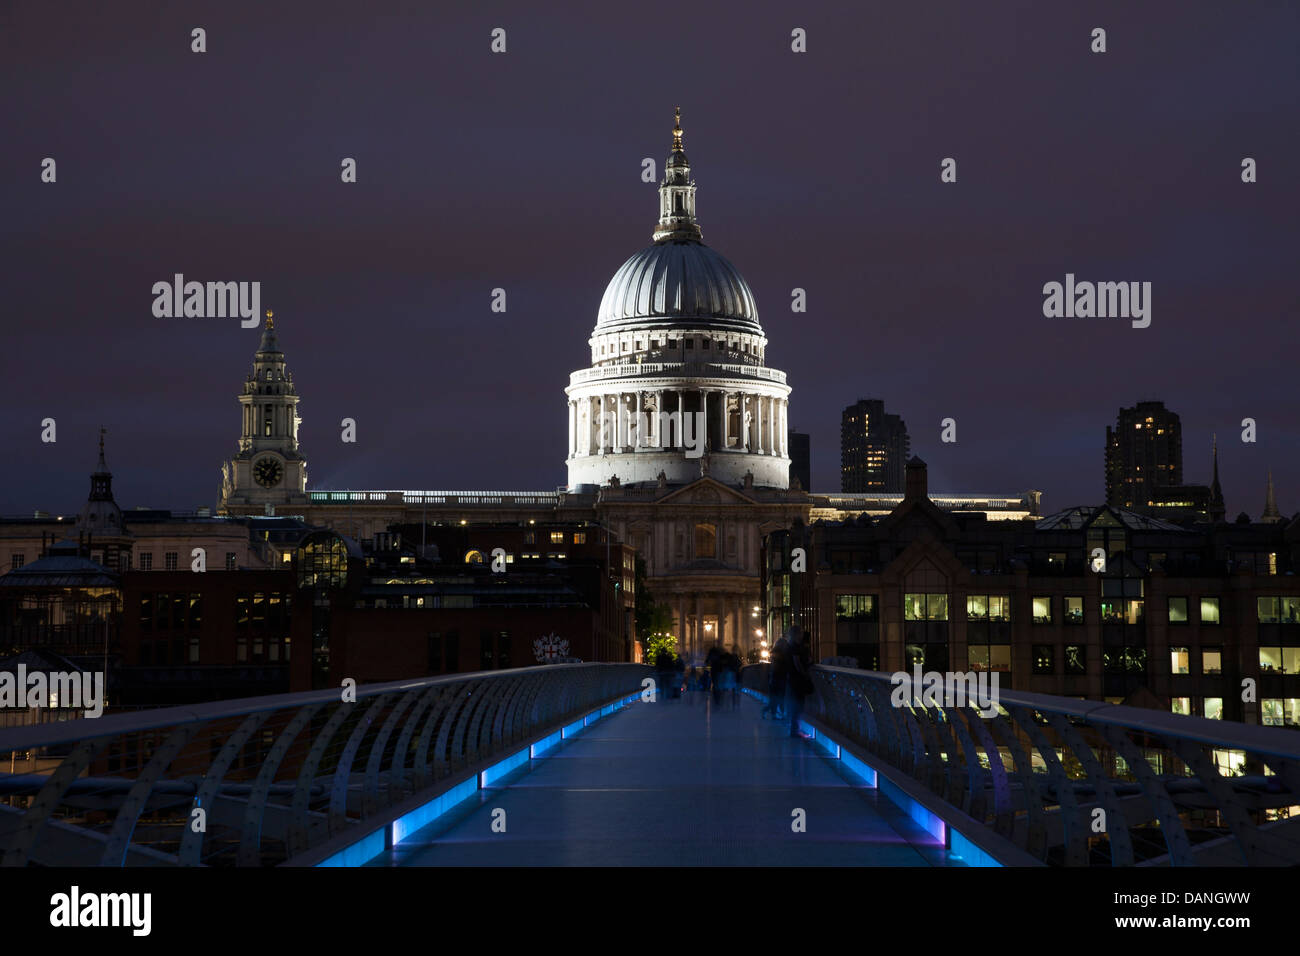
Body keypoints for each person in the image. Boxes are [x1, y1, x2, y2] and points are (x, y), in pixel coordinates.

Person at [787, 629, 814, 737]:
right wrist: (804, 673)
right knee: (798, 705)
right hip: (797, 680)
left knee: (796, 704)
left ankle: (795, 730)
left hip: (793, 679)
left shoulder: (790, 646)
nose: (802, 636)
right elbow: (797, 662)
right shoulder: (795, 647)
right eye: (800, 634)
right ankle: (795, 731)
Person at [765, 634, 790, 719]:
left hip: (774, 678)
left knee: (775, 697)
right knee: (780, 697)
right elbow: (780, 666)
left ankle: (773, 713)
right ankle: (780, 714)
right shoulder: (780, 654)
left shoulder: (774, 653)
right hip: (779, 678)